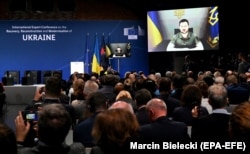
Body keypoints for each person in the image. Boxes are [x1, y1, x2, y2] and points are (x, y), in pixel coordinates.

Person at [15, 103, 85, 154]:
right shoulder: (78, 149)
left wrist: (19, 140)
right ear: (67, 130)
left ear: (37, 130)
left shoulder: (23, 152)